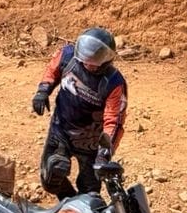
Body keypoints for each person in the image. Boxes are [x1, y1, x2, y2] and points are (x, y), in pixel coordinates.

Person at [30, 27, 127, 199]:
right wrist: (43, 90)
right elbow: (53, 69)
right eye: (86, 56)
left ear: (107, 59)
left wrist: (105, 152)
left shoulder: (113, 83)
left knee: (90, 192)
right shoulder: (68, 56)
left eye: (95, 58)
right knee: (51, 176)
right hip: (61, 131)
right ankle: (69, 202)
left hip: (91, 143)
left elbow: (114, 121)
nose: (88, 62)